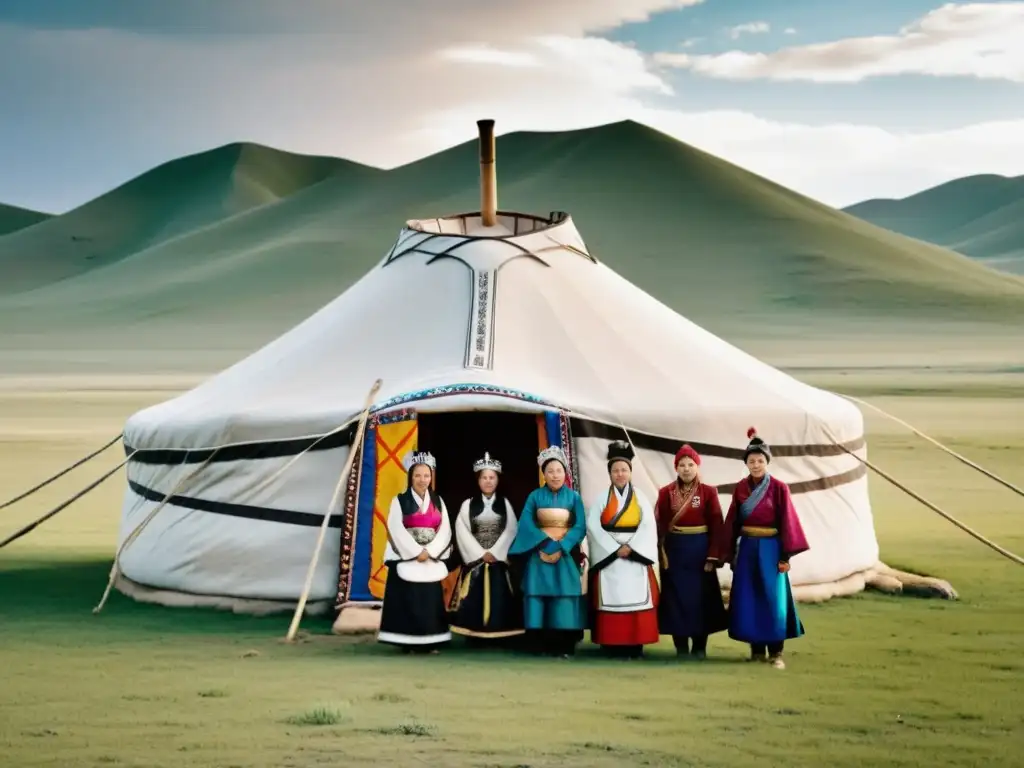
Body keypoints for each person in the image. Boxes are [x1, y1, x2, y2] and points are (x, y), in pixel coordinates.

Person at [722, 428, 810, 669]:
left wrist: (785, 556)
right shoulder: (741, 488)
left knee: (773, 599)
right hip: (748, 548)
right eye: (752, 461)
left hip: (772, 549)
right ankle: (756, 651)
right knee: (749, 599)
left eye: (760, 461)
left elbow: (787, 521)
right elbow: (733, 521)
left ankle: (776, 653)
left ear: (767, 462)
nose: (756, 465)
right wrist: (730, 553)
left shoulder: (779, 488)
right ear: (746, 463)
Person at [508, 445, 587, 658]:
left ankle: (563, 646)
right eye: (550, 471)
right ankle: (538, 645)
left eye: (558, 470)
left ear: (565, 473)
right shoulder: (534, 497)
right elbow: (525, 524)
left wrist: (560, 547)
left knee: (564, 598)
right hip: (539, 553)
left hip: (564, 553)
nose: (555, 475)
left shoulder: (574, 498)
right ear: (543, 474)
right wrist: (545, 544)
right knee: (537, 597)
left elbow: (579, 526)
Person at [586, 440, 660, 659]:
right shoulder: (602, 498)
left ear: (630, 471)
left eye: (624, 470)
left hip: (634, 554)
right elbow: (593, 526)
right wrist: (613, 548)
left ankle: (635, 644)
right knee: (611, 599)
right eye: (615, 470)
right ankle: (610, 643)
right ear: (609, 473)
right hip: (610, 555)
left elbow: (648, 525)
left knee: (636, 598)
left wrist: (632, 547)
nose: (620, 474)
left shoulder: (640, 498)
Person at [654, 444, 730, 660]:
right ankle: (680, 648)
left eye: (690, 464)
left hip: (700, 552)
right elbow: (660, 524)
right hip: (675, 552)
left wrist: (712, 556)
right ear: (676, 468)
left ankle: (699, 648)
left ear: (697, 466)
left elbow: (717, 524)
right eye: (681, 465)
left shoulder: (708, 492)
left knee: (700, 600)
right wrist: (660, 553)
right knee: (676, 599)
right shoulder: (665, 492)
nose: (686, 469)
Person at [377, 450, 454, 653]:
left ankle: (431, 641)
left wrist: (430, 551)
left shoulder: (438, 501)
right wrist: (414, 551)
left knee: (429, 601)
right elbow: (395, 527)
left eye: (426, 475)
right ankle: (407, 642)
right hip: (407, 556)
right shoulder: (399, 500)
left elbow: (445, 529)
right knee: (408, 599)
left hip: (430, 556)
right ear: (410, 476)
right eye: (418, 475)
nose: (422, 480)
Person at [447, 452, 525, 643]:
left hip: (498, 562)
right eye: (484, 477)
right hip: (476, 562)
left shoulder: (505, 504)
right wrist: (481, 554)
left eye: (492, 477)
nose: (488, 481)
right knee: (475, 596)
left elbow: (511, 530)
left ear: (498, 479)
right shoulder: (468, 505)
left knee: (501, 597)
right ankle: (474, 635)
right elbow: (462, 530)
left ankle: (501, 634)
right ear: (478, 480)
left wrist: (496, 553)